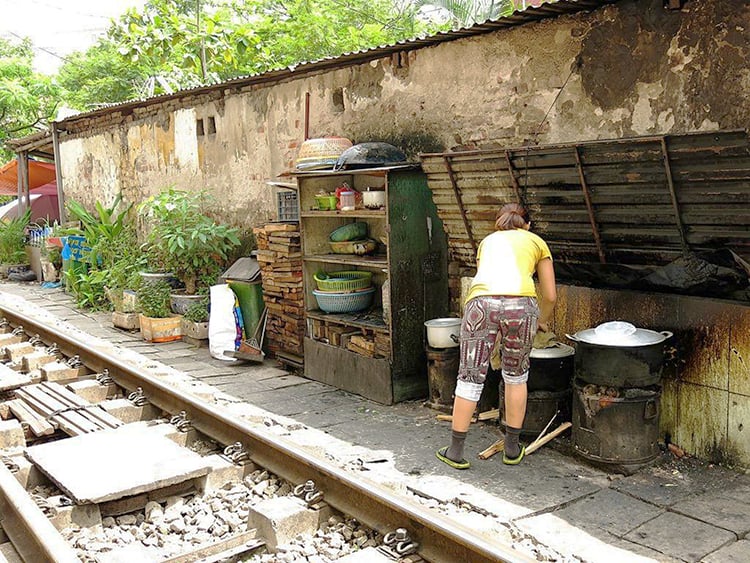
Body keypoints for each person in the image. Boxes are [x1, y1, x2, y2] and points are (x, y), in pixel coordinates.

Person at [436, 203, 556, 468]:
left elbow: (486, 277)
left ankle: (455, 451)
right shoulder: (537, 242)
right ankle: (512, 449)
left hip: (482, 305)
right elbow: (549, 295)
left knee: (470, 376)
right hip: (521, 307)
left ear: (499, 223)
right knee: (516, 376)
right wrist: (541, 321)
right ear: (528, 225)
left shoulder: (488, 242)